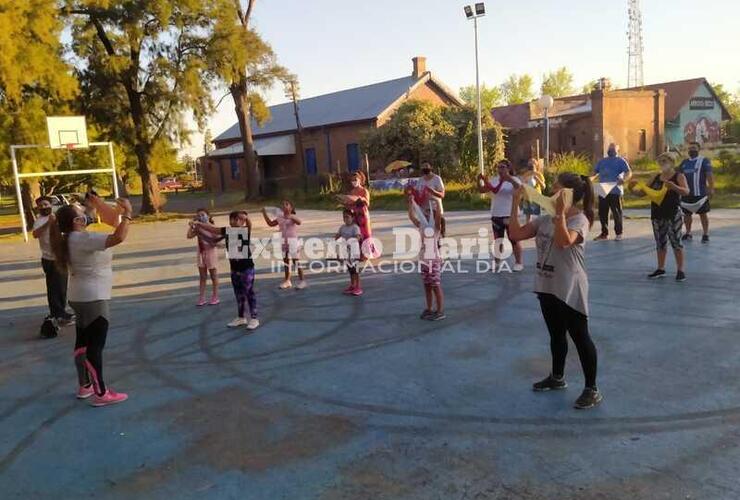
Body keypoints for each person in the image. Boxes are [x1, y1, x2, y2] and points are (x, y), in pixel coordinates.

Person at [508, 172, 602, 410]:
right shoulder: (545, 219)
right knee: (556, 335)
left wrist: (560, 214)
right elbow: (515, 234)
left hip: (570, 287)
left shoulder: (579, 220)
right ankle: (557, 377)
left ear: (567, 195)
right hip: (547, 285)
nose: (551, 192)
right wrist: (514, 203)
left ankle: (592, 388)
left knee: (580, 337)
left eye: (556, 189)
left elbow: (564, 241)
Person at [49, 194, 132, 407]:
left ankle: (84, 385)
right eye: (82, 212)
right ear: (77, 221)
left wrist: (98, 207)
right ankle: (101, 393)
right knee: (95, 346)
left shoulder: (69, 237)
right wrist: (128, 215)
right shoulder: (83, 239)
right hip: (93, 297)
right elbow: (118, 237)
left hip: (79, 295)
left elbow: (101, 220)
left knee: (83, 343)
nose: (86, 214)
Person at [195, 211, 260, 330]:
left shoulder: (244, 230)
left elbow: (249, 224)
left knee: (249, 293)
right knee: (238, 294)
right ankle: (241, 317)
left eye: (239, 219)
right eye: (233, 219)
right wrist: (198, 225)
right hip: (234, 269)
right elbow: (212, 231)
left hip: (246, 268)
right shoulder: (228, 231)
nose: (235, 222)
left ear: (243, 221)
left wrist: (246, 217)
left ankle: (254, 318)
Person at [636, 153, 690, 281]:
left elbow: (686, 191)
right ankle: (661, 268)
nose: (662, 163)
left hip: (672, 213)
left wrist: (674, 187)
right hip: (657, 213)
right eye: (660, 161)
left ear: (672, 162)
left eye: (665, 160)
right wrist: (632, 188)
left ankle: (680, 270)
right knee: (660, 241)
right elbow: (642, 193)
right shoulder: (655, 176)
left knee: (676, 241)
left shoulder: (678, 176)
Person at [32, 196, 74, 327]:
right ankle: (57, 314)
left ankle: (62, 311)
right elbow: (35, 234)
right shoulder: (39, 221)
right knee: (54, 287)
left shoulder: (57, 217)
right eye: (41, 206)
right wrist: (48, 223)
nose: (44, 207)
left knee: (62, 286)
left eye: (46, 204)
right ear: (38, 208)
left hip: (60, 257)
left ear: (50, 205)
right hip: (49, 259)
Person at [477, 159, 524, 272]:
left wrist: (510, 179)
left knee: (514, 239)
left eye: (503, 167)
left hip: (510, 215)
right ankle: (497, 262)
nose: (500, 169)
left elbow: (520, 188)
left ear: (508, 168)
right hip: (496, 214)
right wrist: (478, 181)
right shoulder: (494, 180)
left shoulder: (514, 179)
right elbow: (482, 190)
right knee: (498, 240)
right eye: (498, 167)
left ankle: (518, 262)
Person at [407, 195, 445, 321]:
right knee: (427, 286)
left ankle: (440, 311)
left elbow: (439, 215)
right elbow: (412, 217)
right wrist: (410, 202)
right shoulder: (422, 226)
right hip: (424, 260)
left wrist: (437, 201)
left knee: (436, 285)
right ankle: (429, 308)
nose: (427, 213)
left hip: (433, 261)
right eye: (426, 211)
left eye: (430, 211)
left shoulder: (435, 227)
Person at [262, 200, 306, 290]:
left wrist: (291, 217)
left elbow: (299, 222)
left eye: (287, 204)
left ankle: (302, 281)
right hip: (283, 241)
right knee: (286, 262)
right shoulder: (280, 217)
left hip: (293, 241)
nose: (284, 206)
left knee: (296, 261)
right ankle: (287, 281)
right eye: (283, 205)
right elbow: (270, 224)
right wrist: (264, 214)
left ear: (291, 208)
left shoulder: (292, 217)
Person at [592, 143, 632, 241]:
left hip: (615, 189)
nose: (610, 151)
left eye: (613, 149)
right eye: (609, 149)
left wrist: (625, 179)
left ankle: (619, 233)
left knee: (616, 212)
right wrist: (589, 179)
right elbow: (595, 173)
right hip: (603, 188)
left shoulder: (621, 161)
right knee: (602, 212)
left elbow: (629, 172)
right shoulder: (602, 161)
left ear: (617, 151)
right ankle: (604, 234)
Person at [338, 172, 379, 259]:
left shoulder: (364, 191)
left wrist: (362, 199)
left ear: (360, 180)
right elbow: (350, 204)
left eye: (355, 180)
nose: (353, 182)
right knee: (357, 233)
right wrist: (344, 204)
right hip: (354, 214)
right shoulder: (352, 192)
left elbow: (367, 203)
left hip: (363, 214)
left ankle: (367, 253)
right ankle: (359, 253)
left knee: (365, 233)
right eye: (352, 180)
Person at [679, 142, 714, 243]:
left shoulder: (704, 161)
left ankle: (705, 234)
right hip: (687, 194)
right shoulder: (684, 162)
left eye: (694, 148)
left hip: (700, 194)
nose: (691, 150)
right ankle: (688, 233)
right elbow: (677, 175)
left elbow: (709, 175)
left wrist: (711, 188)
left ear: (698, 149)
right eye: (690, 148)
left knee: (703, 214)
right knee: (687, 215)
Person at [186, 208, 220, 306]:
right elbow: (189, 236)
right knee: (202, 276)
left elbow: (217, 239)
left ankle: (215, 296)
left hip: (211, 253)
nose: (201, 217)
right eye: (199, 215)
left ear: (208, 216)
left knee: (213, 275)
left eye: (203, 215)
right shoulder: (198, 228)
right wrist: (191, 226)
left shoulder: (213, 227)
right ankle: (201, 297)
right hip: (201, 253)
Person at [335, 209, 363, 296]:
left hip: (354, 252)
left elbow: (358, 237)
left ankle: (358, 287)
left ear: (352, 217)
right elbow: (337, 237)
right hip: (346, 252)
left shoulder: (355, 227)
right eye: (344, 217)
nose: (345, 219)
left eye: (347, 217)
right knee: (350, 269)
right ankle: (352, 285)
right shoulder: (342, 227)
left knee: (355, 270)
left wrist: (352, 240)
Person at [414, 162, 446, 236]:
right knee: (427, 232)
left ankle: (439, 240)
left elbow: (442, 195)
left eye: (426, 166)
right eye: (423, 166)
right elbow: (416, 194)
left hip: (435, 209)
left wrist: (433, 192)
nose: (425, 168)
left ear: (430, 167)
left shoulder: (437, 179)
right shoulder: (420, 180)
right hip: (424, 210)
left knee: (437, 231)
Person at [519, 158, 547, 223]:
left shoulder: (539, 174)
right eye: (529, 163)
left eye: (532, 163)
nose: (531, 164)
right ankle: (528, 231)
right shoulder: (525, 174)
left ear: (536, 164)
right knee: (528, 217)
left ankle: (538, 229)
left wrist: (538, 179)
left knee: (538, 216)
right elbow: (522, 187)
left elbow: (543, 187)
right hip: (527, 197)